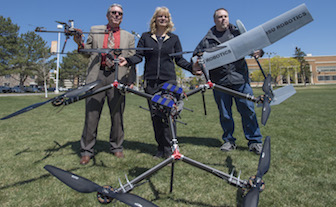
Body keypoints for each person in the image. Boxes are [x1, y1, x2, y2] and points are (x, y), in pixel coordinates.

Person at [119, 7, 200, 158]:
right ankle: (160, 147)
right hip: (150, 83)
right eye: (160, 16)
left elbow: (179, 59)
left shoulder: (174, 38)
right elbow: (138, 56)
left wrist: (192, 68)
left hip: (168, 82)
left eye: (166, 16)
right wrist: (127, 61)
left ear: (169, 20)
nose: (163, 19)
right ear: (155, 19)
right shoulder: (145, 37)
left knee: (169, 114)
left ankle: (170, 148)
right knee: (156, 115)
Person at [194, 8, 263, 155]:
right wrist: (197, 67)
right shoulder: (207, 40)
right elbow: (196, 57)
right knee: (225, 114)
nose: (223, 19)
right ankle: (229, 141)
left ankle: (255, 141)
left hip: (240, 80)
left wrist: (259, 51)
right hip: (220, 82)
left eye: (225, 16)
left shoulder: (238, 33)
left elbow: (256, 46)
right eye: (220, 17)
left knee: (248, 110)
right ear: (215, 20)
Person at [74, 3, 136, 164]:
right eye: (114, 12)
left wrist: (131, 80)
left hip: (118, 76)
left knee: (117, 115)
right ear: (107, 15)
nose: (117, 15)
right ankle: (87, 150)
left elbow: (132, 60)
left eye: (120, 13)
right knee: (91, 115)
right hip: (97, 76)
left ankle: (116, 147)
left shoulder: (128, 37)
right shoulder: (95, 30)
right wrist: (78, 42)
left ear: (122, 17)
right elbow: (85, 53)